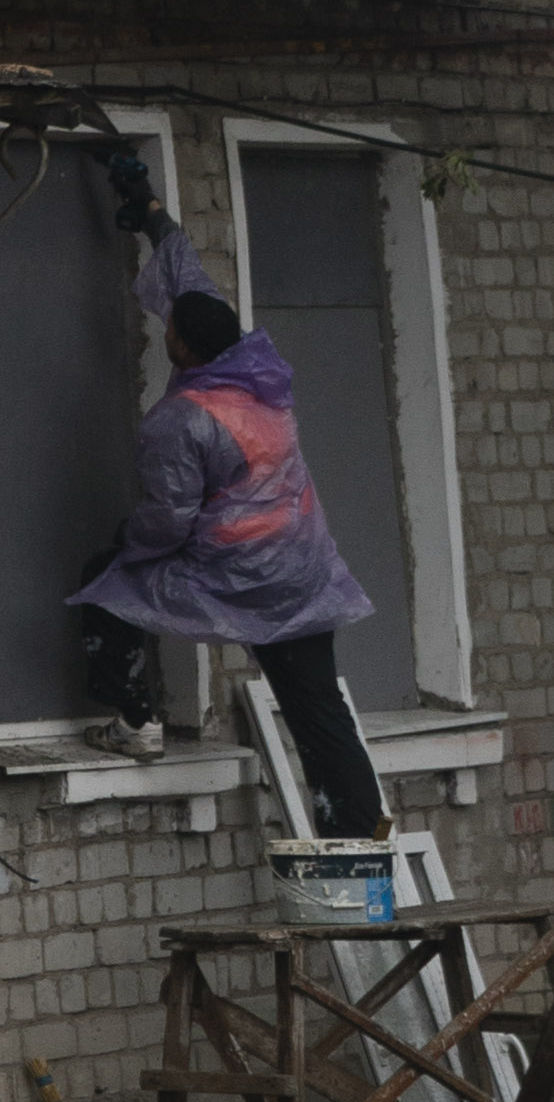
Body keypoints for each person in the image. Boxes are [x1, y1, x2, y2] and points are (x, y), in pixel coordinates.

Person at [72, 188, 387, 833]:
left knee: (106, 582)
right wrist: (155, 217)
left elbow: (168, 521)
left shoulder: (182, 420)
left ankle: (136, 720)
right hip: (303, 568)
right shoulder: (255, 368)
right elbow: (194, 286)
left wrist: (128, 544)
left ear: (183, 349)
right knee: (319, 712)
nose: (166, 332)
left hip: (243, 575)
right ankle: (357, 832)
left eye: (170, 330)